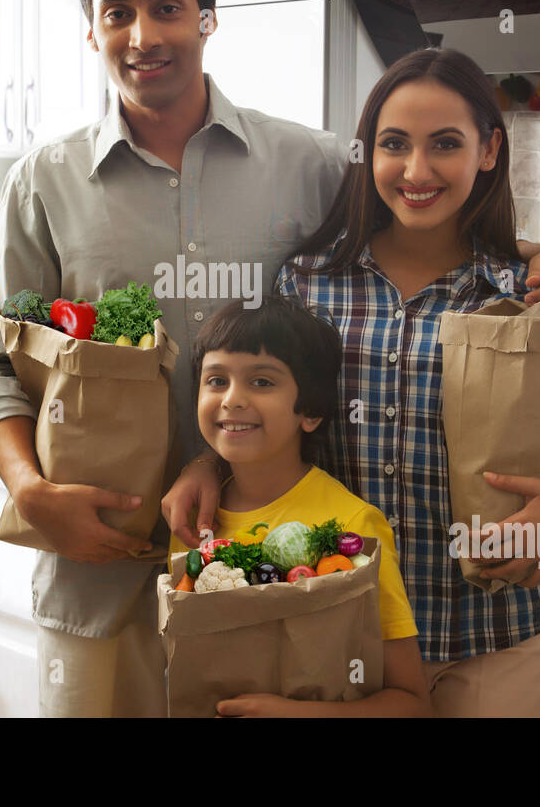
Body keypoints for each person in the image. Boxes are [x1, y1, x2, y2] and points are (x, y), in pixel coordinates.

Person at [0, 0, 540, 718]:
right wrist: (31, 490)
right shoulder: (41, 185)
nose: (143, 34)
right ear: (91, 30)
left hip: (276, 592)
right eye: (116, 12)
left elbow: (425, 212)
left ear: (207, 18)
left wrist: (538, 253)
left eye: (167, 6)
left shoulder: (316, 163)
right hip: (102, 581)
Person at [165, 47, 540, 716]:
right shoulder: (306, 286)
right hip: (339, 648)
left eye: (445, 144)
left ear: (489, 150)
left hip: (495, 645)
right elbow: (259, 403)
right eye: (393, 145)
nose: (416, 170)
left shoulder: (530, 301)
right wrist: (210, 462)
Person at [170, 296, 429, 716]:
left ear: (310, 411)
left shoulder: (354, 526)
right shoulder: (191, 517)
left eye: (262, 382)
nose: (232, 399)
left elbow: (411, 703)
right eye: (216, 380)